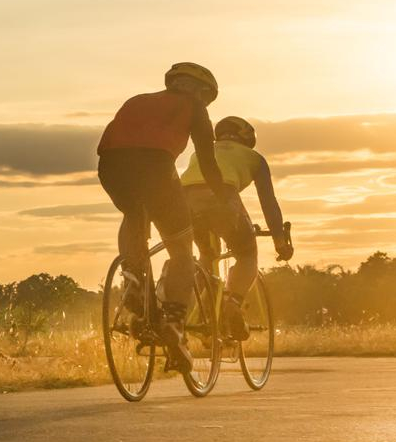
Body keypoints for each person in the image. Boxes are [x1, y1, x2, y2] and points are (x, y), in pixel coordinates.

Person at [96, 62, 231, 373]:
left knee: (134, 211)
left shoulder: (137, 100)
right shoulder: (194, 106)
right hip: (156, 166)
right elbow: (208, 162)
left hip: (111, 165)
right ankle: (174, 319)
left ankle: (133, 274)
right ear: (200, 90)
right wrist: (223, 199)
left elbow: (116, 139)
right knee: (182, 250)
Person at [180, 115, 294, 340]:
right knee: (246, 253)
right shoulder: (254, 158)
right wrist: (280, 241)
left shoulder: (201, 151)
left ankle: (190, 311)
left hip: (184, 200)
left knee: (206, 255)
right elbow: (268, 202)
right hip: (222, 198)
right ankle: (232, 305)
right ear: (247, 137)